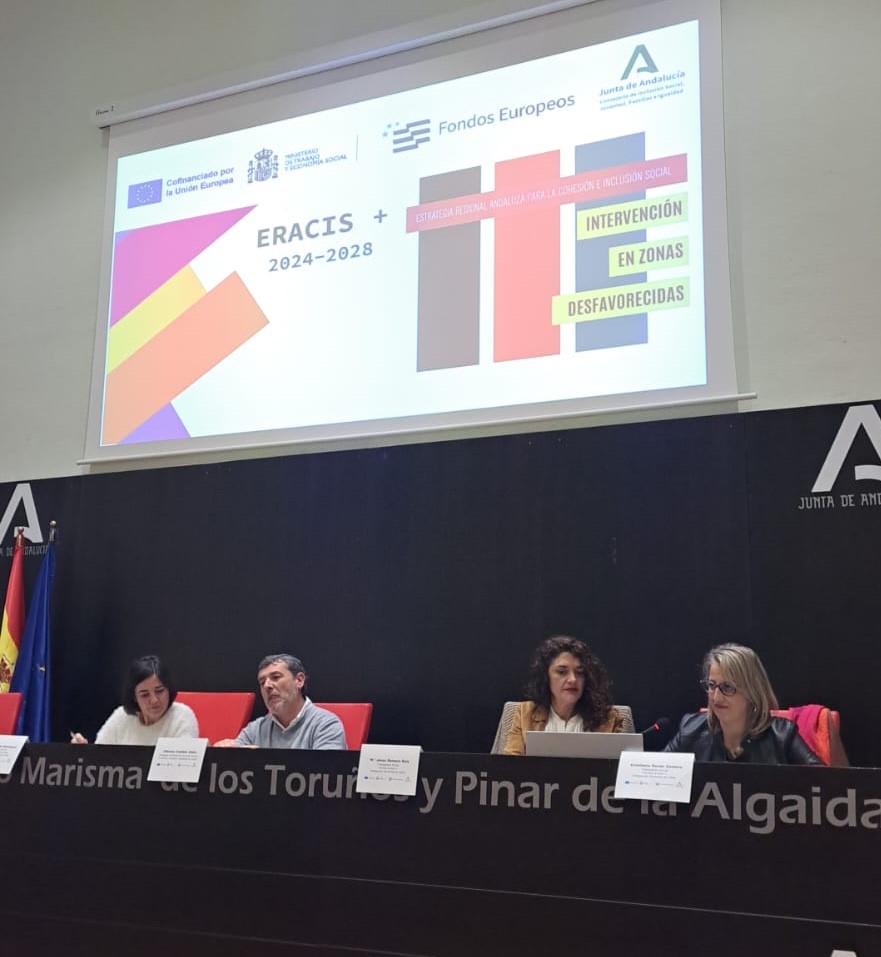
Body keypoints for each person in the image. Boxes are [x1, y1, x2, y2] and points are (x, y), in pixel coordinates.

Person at [664, 643, 822, 764]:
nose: (716, 697)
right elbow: (658, 775)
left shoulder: (782, 735)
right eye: (712, 686)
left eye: (728, 687)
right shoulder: (690, 729)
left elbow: (825, 784)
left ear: (752, 691)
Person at [503, 635, 627, 756]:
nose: (573, 679)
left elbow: (618, 768)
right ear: (546, 677)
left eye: (580, 672)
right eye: (562, 672)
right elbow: (510, 765)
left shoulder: (610, 719)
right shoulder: (525, 714)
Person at [214, 653, 346, 749]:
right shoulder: (255, 729)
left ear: (299, 680)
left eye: (276, 677)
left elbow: (326, 773)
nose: (267, 685)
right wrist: (223, 755)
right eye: (262, 682)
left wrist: (258, 760)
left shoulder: (326, 725)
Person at [71, 654, 198, 745]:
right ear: (134, 697)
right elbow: (100, 758)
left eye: (159, 691)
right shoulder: (121, 716)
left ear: (168, 689)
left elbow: (184, 768)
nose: (154, 700)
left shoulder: (182, 716)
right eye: (144, 695)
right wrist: (84, 753)